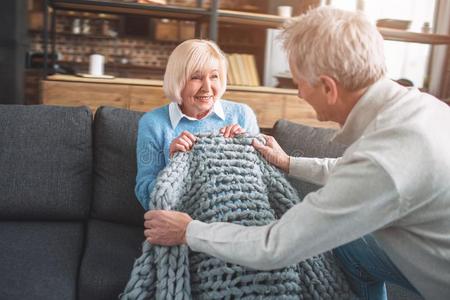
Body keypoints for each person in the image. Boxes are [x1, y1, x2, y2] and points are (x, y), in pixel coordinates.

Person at [143, 7, 450, 300]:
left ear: (328, 87)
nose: (300, 94)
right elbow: (353, 169)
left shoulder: (383, 159)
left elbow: (277, 245)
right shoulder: (421, 109)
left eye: (300, 84)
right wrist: (288, 162)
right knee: (352, 244)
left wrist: (189, 231)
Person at [135, 39, 259, 210]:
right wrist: (172, 165)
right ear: (178, 80)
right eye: (196, 77)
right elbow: (144, 196)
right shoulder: (153, 124)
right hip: (179, 224)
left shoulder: (242, 116)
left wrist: (242, 153)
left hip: (235, 221)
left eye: (214, 76)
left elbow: (261, 181)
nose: (207, 87)